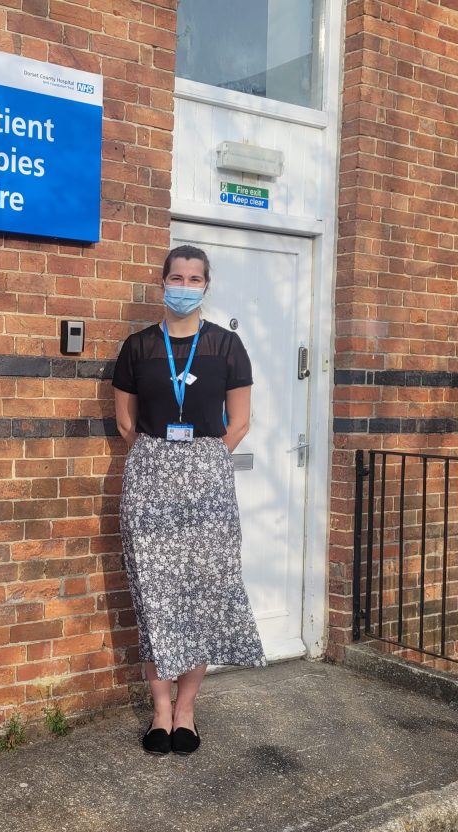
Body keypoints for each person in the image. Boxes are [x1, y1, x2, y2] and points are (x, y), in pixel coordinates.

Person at [112, 244, 265, 757]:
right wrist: (161, 463)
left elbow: (239, 421)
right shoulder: (138, 348)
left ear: (206, 285)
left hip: (208, 486)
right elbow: (126, 423)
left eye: (193, 278)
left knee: (202, 598)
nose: (183, 285)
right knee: (154, 597)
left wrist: (202, 463)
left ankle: (186, 711)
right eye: (175, 276)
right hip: (150, 484)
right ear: (162, 282)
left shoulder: (226, 347)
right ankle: (159, 710)